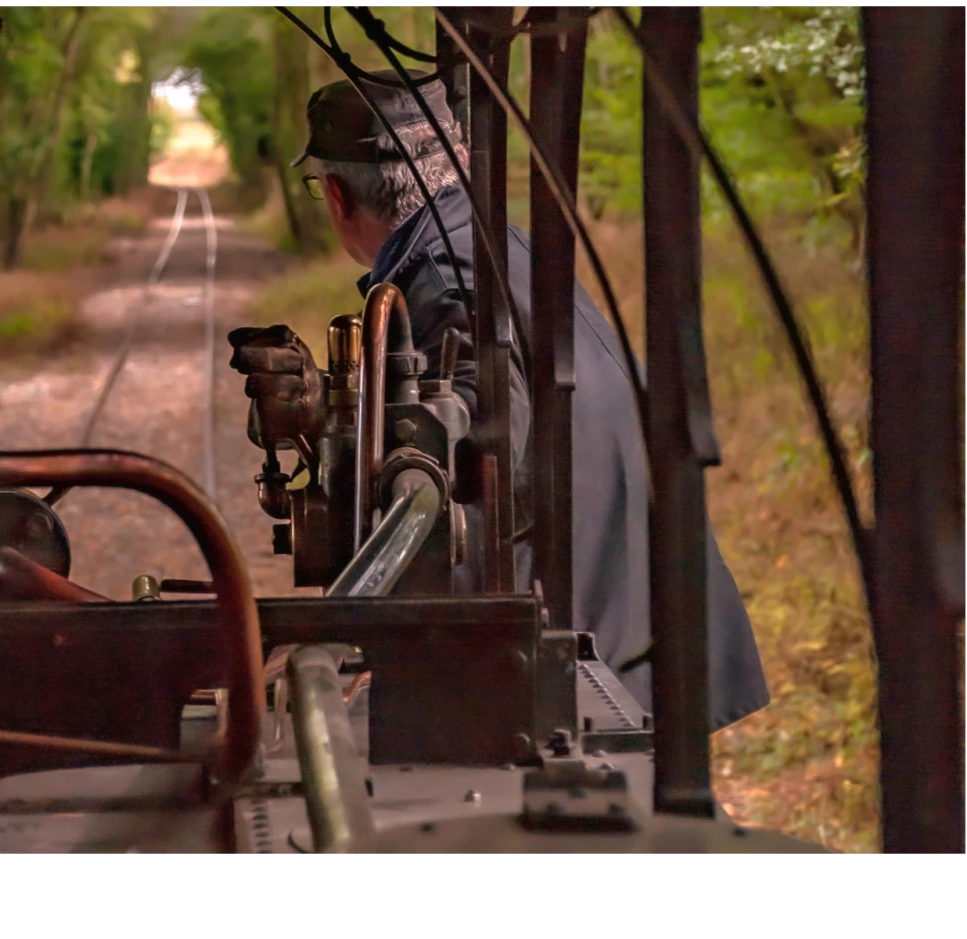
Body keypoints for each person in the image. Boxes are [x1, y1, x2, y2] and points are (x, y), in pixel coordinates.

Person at [228, 72, 769, 731]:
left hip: (597, 654)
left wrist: (335, 426)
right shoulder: (496, 248)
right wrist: (330, 410)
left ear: (336, 195)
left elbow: (481, 440)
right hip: (644, 620)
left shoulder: (446, 279)